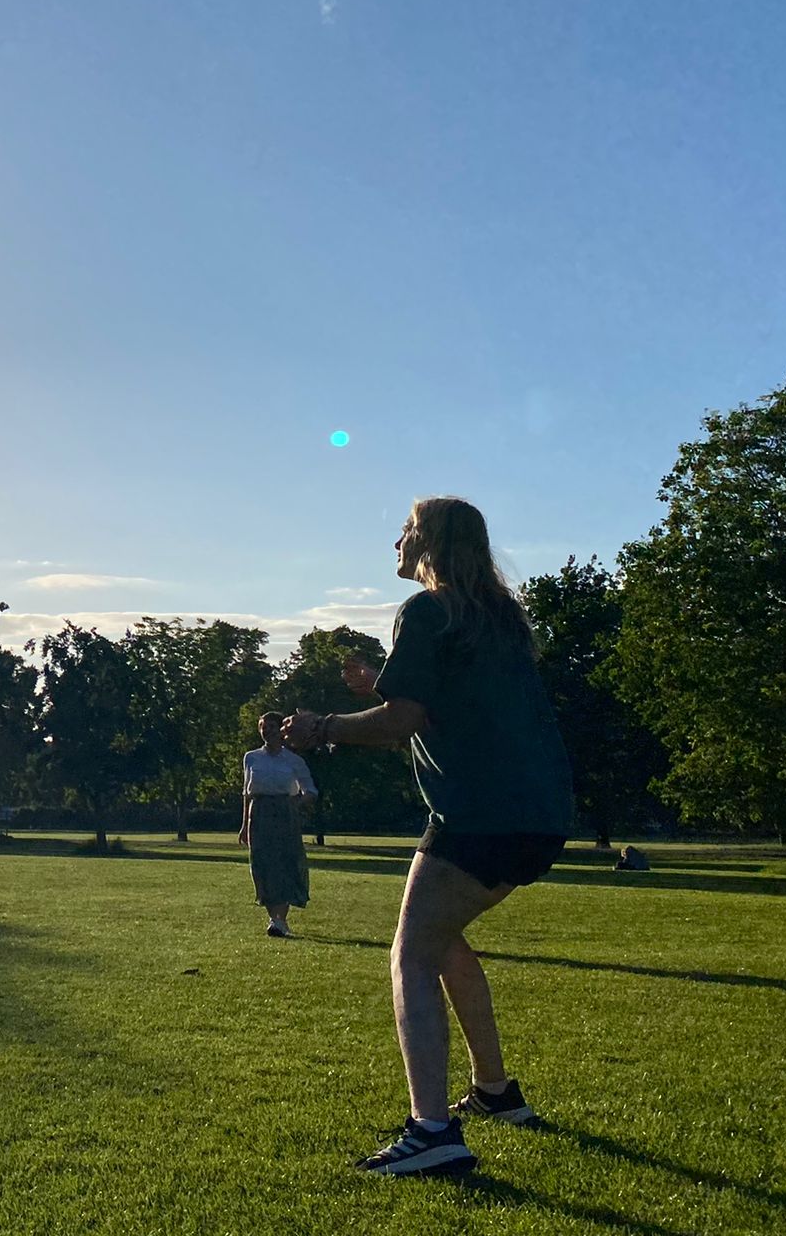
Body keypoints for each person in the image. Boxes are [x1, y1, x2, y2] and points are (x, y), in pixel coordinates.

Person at [283, 498, 570, 1178]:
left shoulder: (426, 610)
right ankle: (496, 1093)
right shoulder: (497, 616)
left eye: (406, 531)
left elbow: (399, 721)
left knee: (411, 955)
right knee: (443, 941)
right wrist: (374, 695)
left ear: (430, 541)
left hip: (476, 816)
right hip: (541, 816)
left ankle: (432, 1131)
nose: (396, 542)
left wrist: (323, 725)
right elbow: (432, 710)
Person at [238, 710, 318, 938]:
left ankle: (280, 920)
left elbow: (310, 791)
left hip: (285, 813)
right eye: (263, 727)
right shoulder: (251, 757)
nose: (267, 731)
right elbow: (247, 793)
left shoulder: (294, 761)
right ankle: (274, 918)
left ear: (281, 730)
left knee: (285, 862)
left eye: (271, 726)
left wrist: (294, 806)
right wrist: (244, 826)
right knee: (262, 864)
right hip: (259, 813)